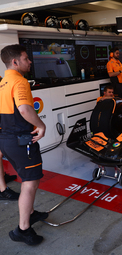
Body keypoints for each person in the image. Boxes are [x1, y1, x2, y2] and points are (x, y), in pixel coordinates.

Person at [0, 44, 49, 245]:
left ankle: (30, 213)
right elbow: (24, 109)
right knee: (29, 183)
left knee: (31, 180)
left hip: (7, 140)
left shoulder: (3, 83)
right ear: (15, 62)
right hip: (21, 141)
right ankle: (23, 229)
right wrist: (42, 125)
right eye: (26, 58)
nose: (29, 62)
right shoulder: (19, 81)